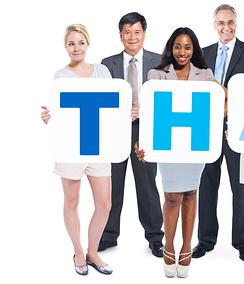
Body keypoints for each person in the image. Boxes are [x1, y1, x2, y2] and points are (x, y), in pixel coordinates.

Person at [139, 27, 217, 279]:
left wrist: (220, 92)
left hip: (194, 146)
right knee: (172, 196)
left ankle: (186, 247)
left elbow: (218, 104)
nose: (182, 52)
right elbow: (149, 113)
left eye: (187, 47)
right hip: (168, 146)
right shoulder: (157, 74)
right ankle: (169, 246)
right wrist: (145, 146)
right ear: (170, 49)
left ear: (194, 49)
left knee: (190, 194)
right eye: (177, 47)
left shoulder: (205, 75)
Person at [42, 24, 114, 276]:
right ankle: (79, 252)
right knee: (71, 201)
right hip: (70, 147)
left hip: (98, 146)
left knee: (104, 204)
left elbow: (113, 107)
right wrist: (48, 116)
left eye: (80, 42)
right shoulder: (60, 76)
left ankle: (93, 251)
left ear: (88, 44)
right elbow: (57, 111)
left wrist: (128, 112)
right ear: (65, 46)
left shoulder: (102, 71)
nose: (76, 47)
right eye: (71, 43)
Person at [194, 4, 244, 262]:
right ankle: (205, 240)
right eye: (221, 23)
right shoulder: (203, 53)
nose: (226, 27)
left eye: (231, 22)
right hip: (208, 130)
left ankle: (242, 242)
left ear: (237, 23)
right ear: (214, 24)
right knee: (207, 185)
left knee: (239, 186)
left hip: (237, 130)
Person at [98, 12, 165, 257]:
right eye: (127, 32)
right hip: (116, 132)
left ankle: (155, 237)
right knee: (111, 185)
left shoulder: (159, 61)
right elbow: (102, 98)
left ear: (144, 34)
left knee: (147, 186)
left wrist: (144, 111)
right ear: (120, 36)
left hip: (146, 132)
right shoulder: (107, 63)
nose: (132, 37)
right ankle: (107, 235)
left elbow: (165, 99)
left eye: (137, 32)